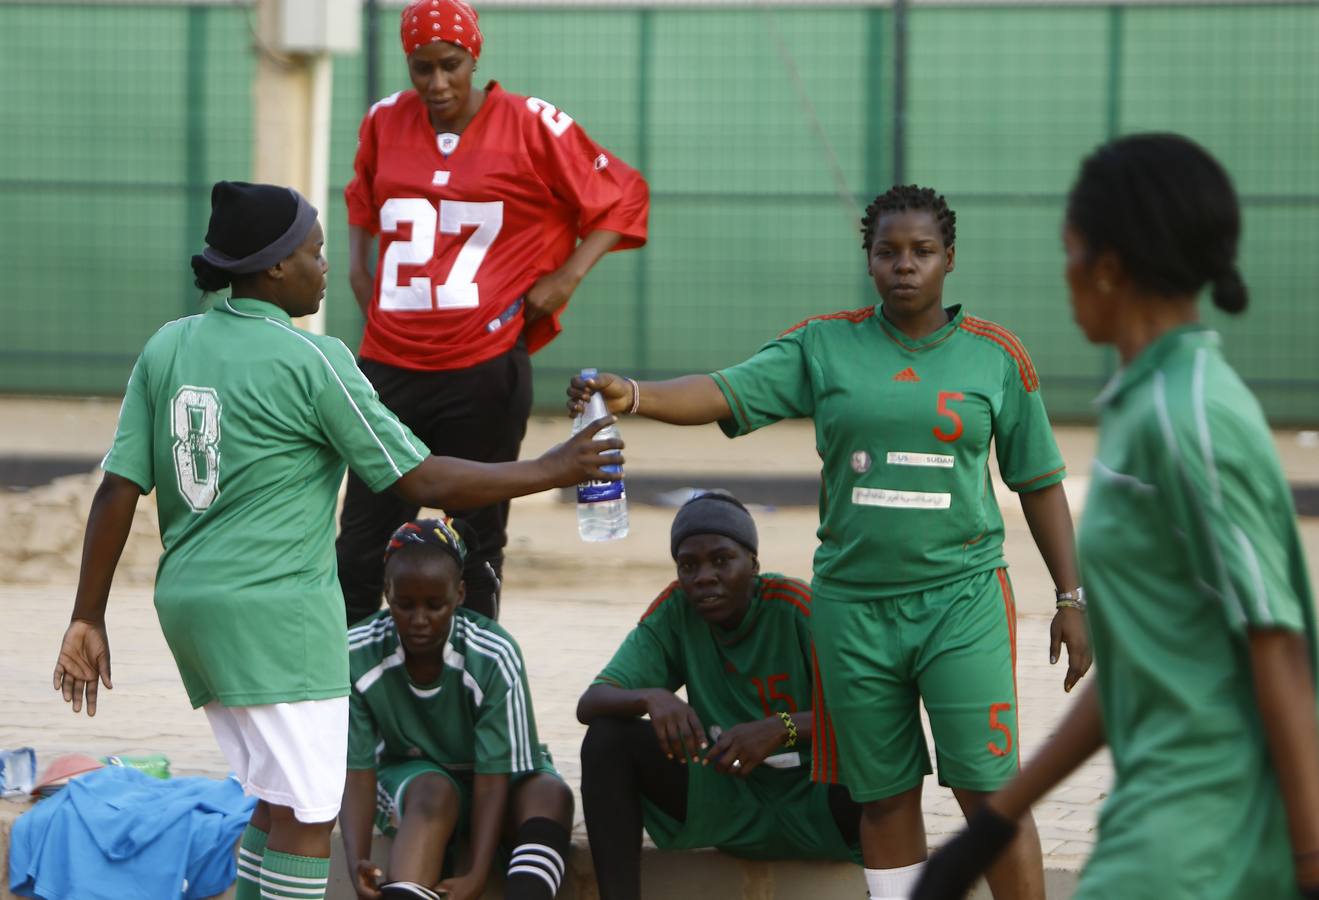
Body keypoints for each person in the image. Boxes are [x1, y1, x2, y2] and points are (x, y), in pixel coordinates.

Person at [51, 181, 621, 900]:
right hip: (279, 617)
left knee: (274, 798)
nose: (329, 267)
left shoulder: (169, 345)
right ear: (272, 268)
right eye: (316, 252)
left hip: (190, 608)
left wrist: (87, 615)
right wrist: (549, 468)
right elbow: (422, 480)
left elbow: (117, 489)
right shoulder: (315, 361)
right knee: (310, 816)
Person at [567, 184, 1093, 900]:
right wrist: (634, 394)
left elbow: (1037, 481)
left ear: (949, 259)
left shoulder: (995, 357)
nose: (903, 265)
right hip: (853, 612)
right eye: (887, 252)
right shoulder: (824, 344)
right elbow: (724, 390)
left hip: (961, 601)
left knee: (987, 790)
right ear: (868, 261)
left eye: (922, 251)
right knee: (883, 796)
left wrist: (1070, 596)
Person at [913, 134, 1319, 900]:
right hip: (1151, 824)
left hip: (1207, 846)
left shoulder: (1190, 417)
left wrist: (1308, 862)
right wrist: (994, 824)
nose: (1061, 273)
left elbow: (1279, 646)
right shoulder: (1142, 407)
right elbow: (1140, 658)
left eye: (1067, 250)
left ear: (1104, 267)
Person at [337, 0, 650, 624]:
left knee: (475, 542)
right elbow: (362, 198)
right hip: (389, 363)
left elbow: (623, 195)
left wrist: (567, 275)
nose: (436, 83)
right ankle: (349, 696)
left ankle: (476, 681)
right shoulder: (383, 120)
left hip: (481, 366)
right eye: (420, 68)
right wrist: (357, 264)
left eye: (450, 65)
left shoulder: (529, 123)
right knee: (360, 547)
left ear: (475, 57)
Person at [578, 492, 863, 899]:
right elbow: (592, 702)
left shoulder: (794, 606)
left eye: (721, 560)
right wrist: (651, 697)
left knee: (877, 751)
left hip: (817, 799)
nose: (703, 576)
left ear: (753, 564)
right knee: (608, 738)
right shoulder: (676, 609)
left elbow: (869, 713)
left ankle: (897, 883)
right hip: (728, 799)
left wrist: (781, 728)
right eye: (688, 565)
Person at [341, 518, 572, 900]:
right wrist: (356, 860)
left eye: (435, 605)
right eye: (404, 604)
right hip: (418, 784)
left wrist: (476, 874)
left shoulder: (493, 653)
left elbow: (495, 774)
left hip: (494, 781)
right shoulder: (357, 652)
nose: (419, 620)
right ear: (386, 593)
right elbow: (357, 769)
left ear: (460, 594)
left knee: (551, 794)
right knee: (435, 791)